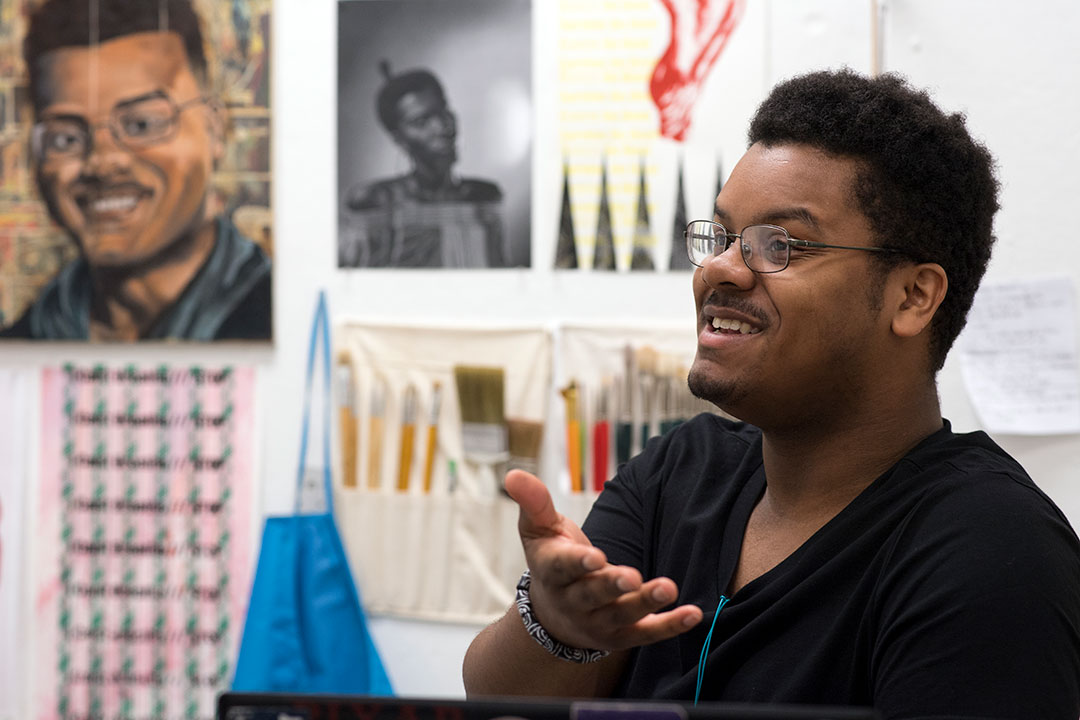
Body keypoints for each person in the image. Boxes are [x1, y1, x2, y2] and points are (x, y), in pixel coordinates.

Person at [463, 69, 1080, 718]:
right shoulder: (678, 473)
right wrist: (556, 625)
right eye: (722, 236)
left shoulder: (991, 550)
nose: (722, 268)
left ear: (912, 296)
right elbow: (500, 695)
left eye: (778, 244)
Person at [0, 0, 271, 341]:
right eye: (66, 138)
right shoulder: (23, 346)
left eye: (141, 124)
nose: (102, 162)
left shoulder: (273, 318)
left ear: (215, 130)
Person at [340, 63, 505, 268]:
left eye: (443, 111)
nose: (441, 127)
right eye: (421, 121)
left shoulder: (482, 198)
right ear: (399, 139)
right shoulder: (376, 202)